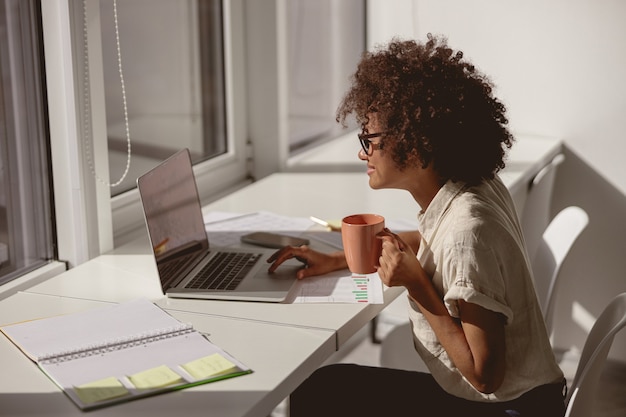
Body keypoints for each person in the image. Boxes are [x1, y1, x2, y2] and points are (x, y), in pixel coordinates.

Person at [267, 34, 566, 417]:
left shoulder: (468, 232)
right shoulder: (470, 188)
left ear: (416, 143)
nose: (362, 152)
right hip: (527, 397)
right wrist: (337, 259)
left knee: (320, 392)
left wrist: (416, 284)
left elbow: (485, 376)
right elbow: (432, 239)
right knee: (324, 387)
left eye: (369, 139)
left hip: (511, 408)